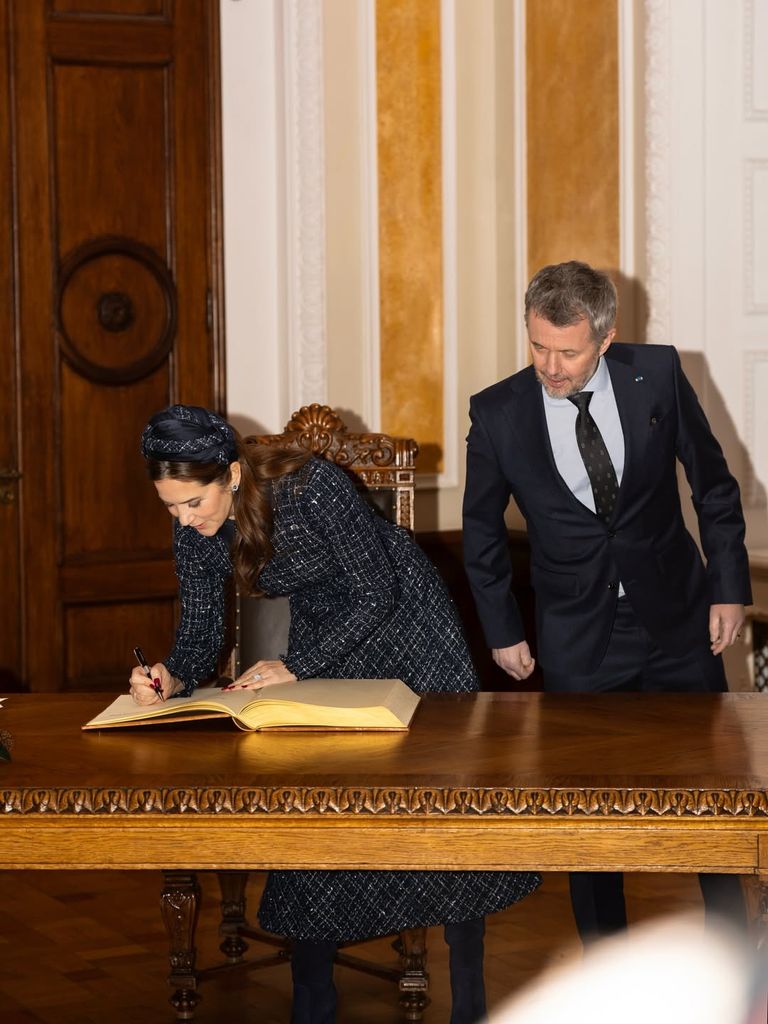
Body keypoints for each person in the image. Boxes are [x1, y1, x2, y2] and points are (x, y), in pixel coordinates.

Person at [130, 404, 540, 1024]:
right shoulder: (192, 528)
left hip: (411, 631)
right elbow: (200, 633)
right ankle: (313, 1003)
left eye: (193, 503)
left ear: (233, 476)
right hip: (327, 638)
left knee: (446, 822)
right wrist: (167, 674)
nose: (185, 519)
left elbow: (378, 587)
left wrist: (295, 665)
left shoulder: (309, 486)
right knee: (317, 816)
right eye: (171, 507)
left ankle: (471, 1005)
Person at [462, 260, 752, 945]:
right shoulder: (498, 412)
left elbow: (713, 486)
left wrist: (729, 588)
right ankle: (604, 963)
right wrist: (502, 629)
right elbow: (479, 530)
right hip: (578, 638)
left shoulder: (657, 374)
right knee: (590, 815)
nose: (551, 367)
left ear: (605, 336)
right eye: (538, 346)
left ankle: (737, 956)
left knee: (710, 796)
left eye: (567, 351)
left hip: (679, 621)